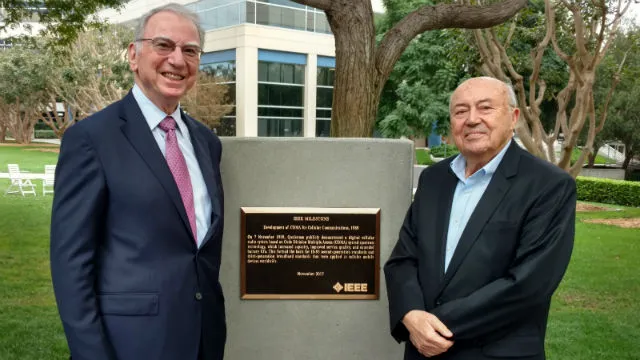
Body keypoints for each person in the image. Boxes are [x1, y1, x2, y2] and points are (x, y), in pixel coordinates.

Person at [50, 4, 225, 360]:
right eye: (164, 45)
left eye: (190, 51)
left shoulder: (207, 143)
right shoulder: (91, 139)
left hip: (203, 340)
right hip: (128, 344)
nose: (177, 60)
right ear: (134, 55)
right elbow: (70, 264)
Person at [384, 77, 575, 360]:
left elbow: (529, 283)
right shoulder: (434, 179)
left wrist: (437, 325)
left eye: (485, 108)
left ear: (513, 118)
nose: (472, 119)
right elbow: (404, 259)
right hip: (422, 350)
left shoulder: (548, 185)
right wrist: (411, 315)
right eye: (461, 111)